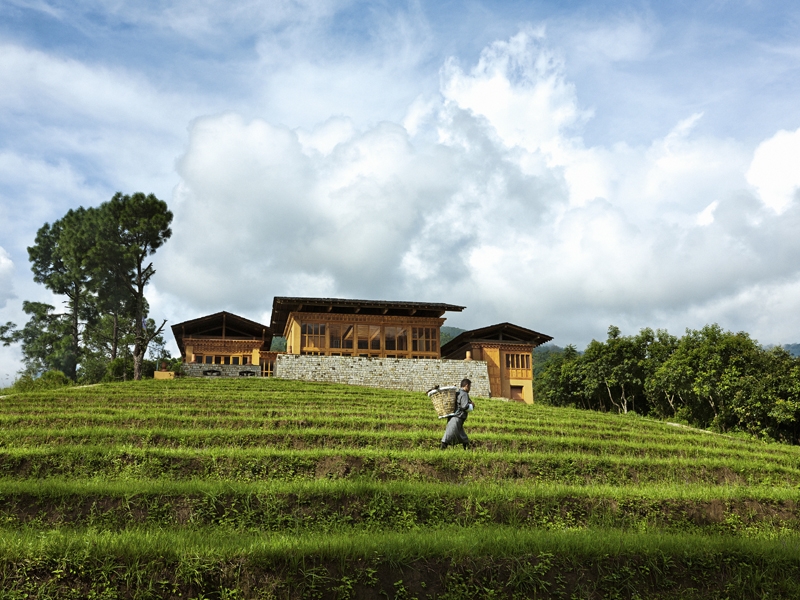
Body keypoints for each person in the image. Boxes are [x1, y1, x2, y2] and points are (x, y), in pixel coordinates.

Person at [440, 378, 474, 450]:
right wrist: (472, 406)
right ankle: (440, 451)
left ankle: (468, 451)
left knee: (464, 438)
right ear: (467, 386)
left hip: (456, 418)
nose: (470, 389)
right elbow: (464, 406)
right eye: (470, 387)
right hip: (456, 418)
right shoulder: (464, 394)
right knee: (447, 436)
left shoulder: (458, 393)